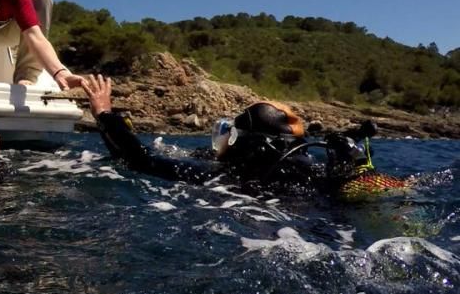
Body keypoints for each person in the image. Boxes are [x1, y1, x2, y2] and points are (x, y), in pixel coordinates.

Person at [81, 74, 413, 199]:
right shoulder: (314, 169)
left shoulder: (227, 175)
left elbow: (138, 160)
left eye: (229, 134)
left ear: (245, 141)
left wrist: (105, 115)